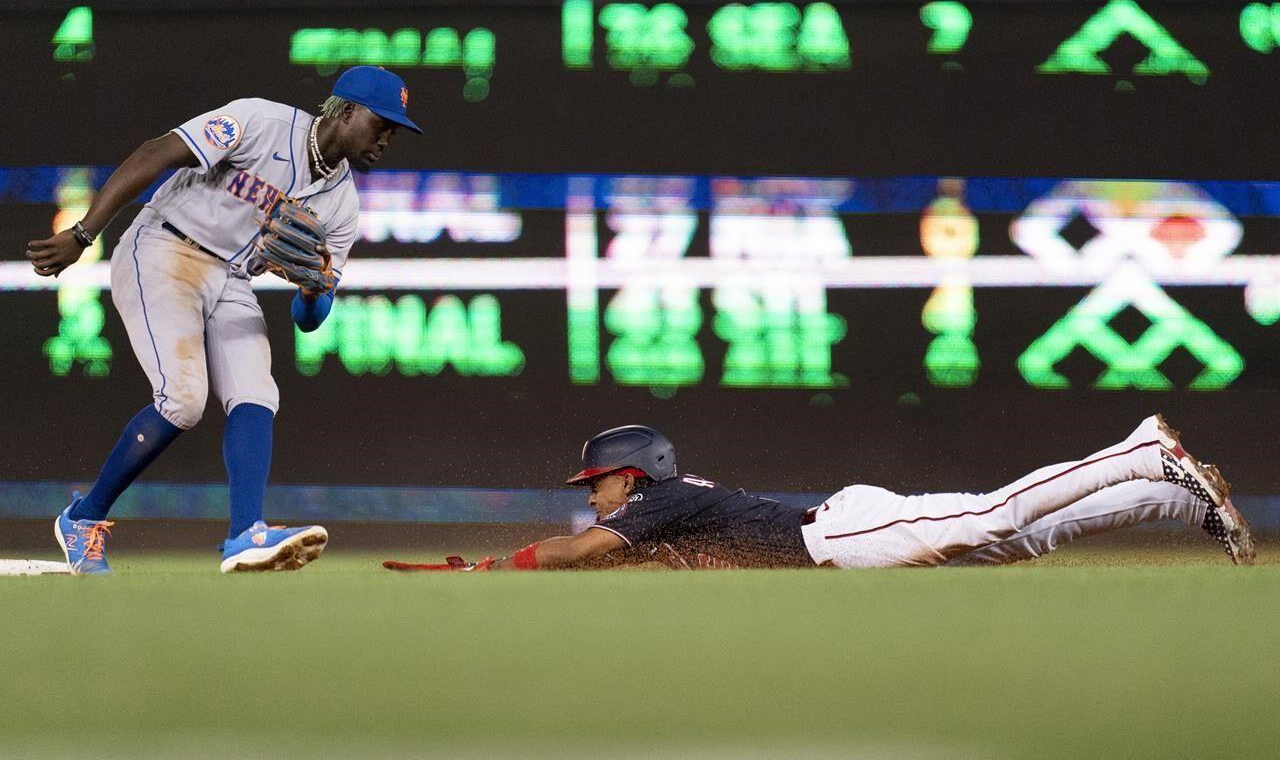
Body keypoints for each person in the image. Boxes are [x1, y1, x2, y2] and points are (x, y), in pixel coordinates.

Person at [27, 66, 422, 575]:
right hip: (165, 247)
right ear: (346, 111)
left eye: (394, 130)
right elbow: (156, 153)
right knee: (184, 399)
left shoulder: (342, 203)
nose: (387, 137)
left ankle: (245, 534)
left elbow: (310, 319)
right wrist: (83, 235)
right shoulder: (259, 121)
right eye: (381, 123)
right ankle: (83, 519)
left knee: (258, 392)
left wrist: (312, 286)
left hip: (232, 278)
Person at [393, 420, 1255, 572]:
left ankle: (1138, 451)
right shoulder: (664, 510)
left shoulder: (658, 502)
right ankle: (1179, 502)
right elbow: (595, 561)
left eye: (601, 479)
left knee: (999, 513)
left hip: (847, 538)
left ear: (635, 474)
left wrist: (497, 563)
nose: (596, 493)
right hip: (843, 535)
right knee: (1017, 539)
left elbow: (581, 551)